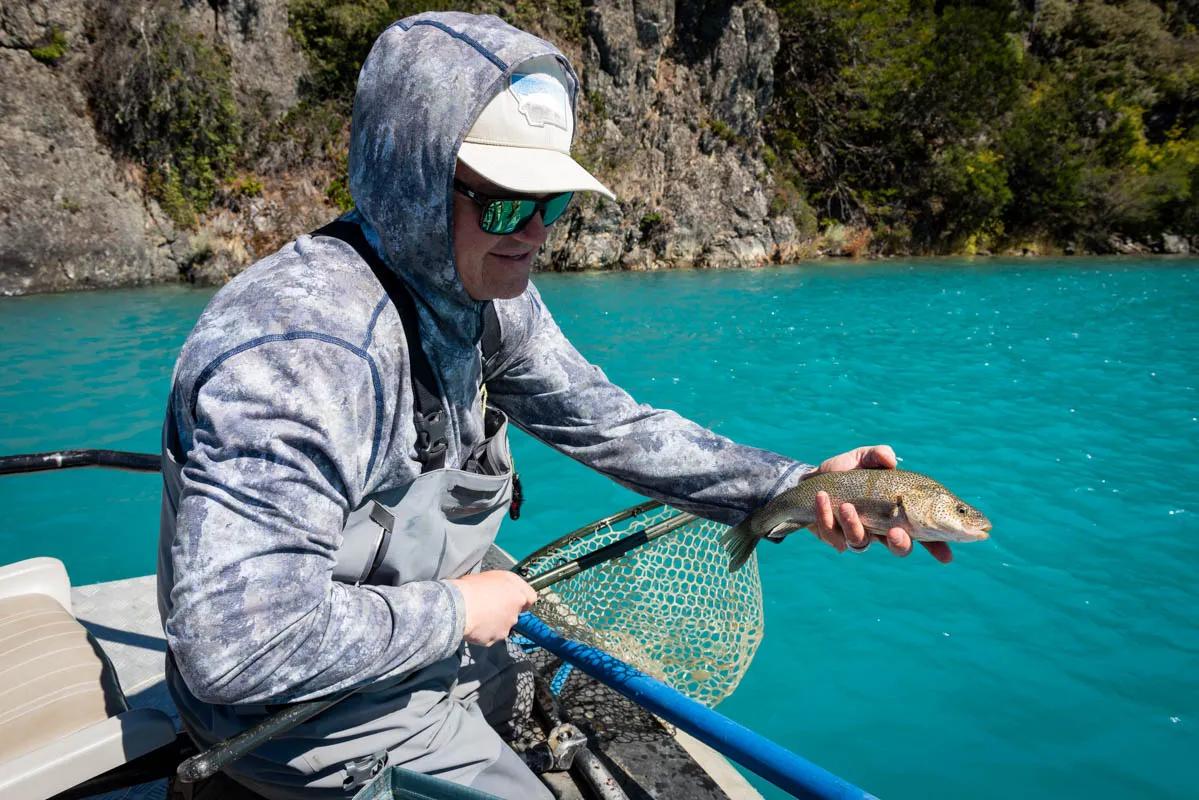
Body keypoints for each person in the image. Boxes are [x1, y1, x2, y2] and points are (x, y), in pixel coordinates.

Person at [156, 10, 952, 799]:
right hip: (303, 716)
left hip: (427, 654)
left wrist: (800, 486)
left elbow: (614, 425)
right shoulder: (299, 359)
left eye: (553, 203)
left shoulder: (485, 293)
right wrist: (456, 608)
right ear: (411, 180)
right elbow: (238, 646)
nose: (534, 232)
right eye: (504, 203)